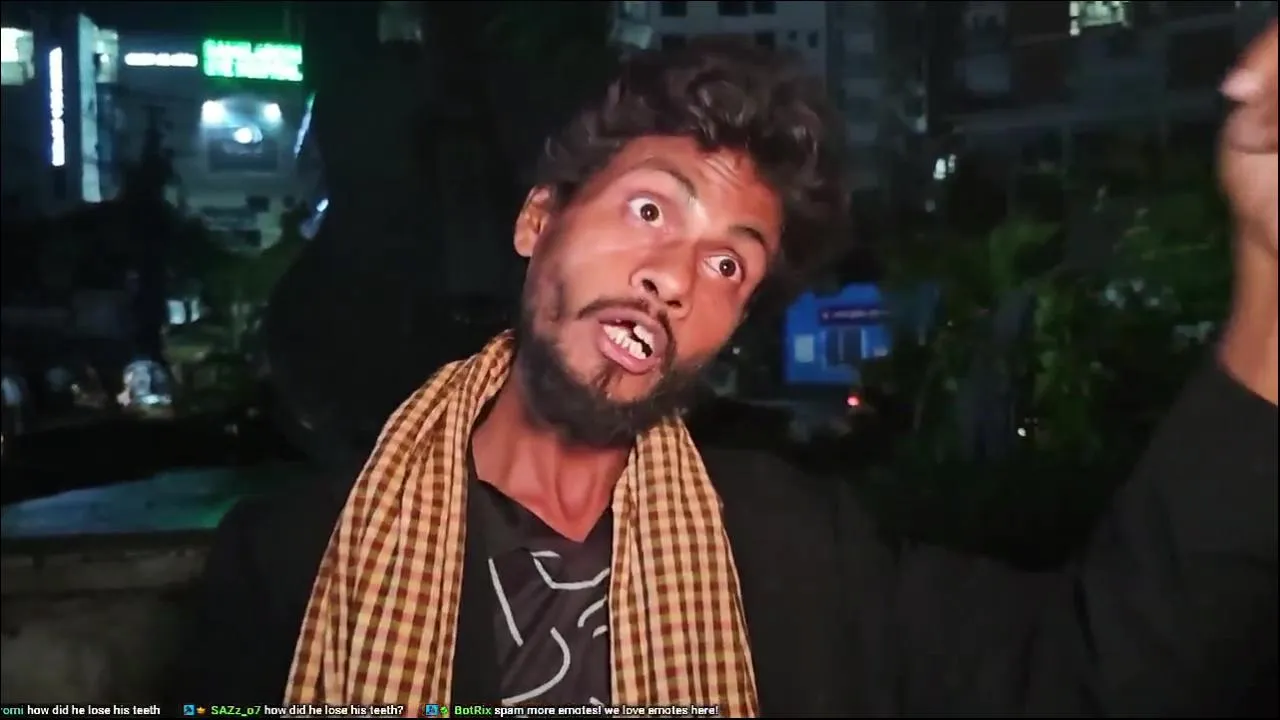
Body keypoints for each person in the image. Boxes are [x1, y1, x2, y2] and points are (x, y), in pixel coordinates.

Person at [175, 29, 1278, 717]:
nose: (671, 278)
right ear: (537, 222)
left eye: (725, 265)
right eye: (649, 210)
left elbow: (1106, 667)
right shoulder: (291, 561)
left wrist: (1270, 271)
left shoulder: (800, 555)